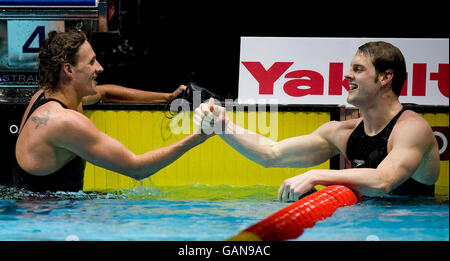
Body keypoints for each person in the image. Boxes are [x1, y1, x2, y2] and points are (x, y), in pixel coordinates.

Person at [195, 41, 440, 201]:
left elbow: (382, 180)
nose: (347, 75)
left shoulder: (412, 129)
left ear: (386, 77)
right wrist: (224, 127)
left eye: (358, 69)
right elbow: (272, 153)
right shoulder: (341, 132)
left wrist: (315, 175)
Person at [13, 30, 210, 193]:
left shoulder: (46, 95)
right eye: (91, 62)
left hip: (46, 210)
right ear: (69, 70)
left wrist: (167, 98)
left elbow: (105, 93)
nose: (100, 67)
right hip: (46, 223)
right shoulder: (63, 122)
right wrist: (197, 138)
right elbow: (137, 168)